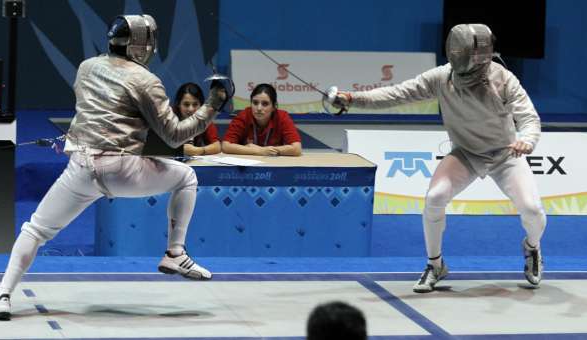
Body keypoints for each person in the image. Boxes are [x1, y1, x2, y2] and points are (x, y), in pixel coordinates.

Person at [0, 14, 228, 320]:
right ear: (139, 46)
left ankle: (2, 295)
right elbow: (174, 134)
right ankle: (175, 253)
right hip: (124, 171)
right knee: (186, 177)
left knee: (35, 229)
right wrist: (214, 102)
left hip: (81, 168)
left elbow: (102, 110)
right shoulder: (146, 81)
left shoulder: (86, 67)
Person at [333, 24, 546, 293]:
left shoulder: (503, 78)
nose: (457, 53)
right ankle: (436, 265)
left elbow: (529, 117)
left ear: (479, 54)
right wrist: (352, 99)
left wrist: (527, 139)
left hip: (504, 153)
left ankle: (532, 247)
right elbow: (397, 93)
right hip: (465, 153)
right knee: (435, 198)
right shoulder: (443, 77)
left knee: (532, 209)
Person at [222, 83, 302, 156]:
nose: (259, 108)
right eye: (255, 103)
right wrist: (260, 151)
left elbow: (297, 149)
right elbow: (225, 146)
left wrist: (264, 150)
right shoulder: (243, 116)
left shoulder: (282, 117)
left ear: (274, 106)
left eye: (265, 104)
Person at [173, 82, 221, 156]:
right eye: (186, 104)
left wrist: (198, 150)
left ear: (201, 106)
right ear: (178, 104)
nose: (191, 109)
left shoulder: (203, 118)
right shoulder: (169, 118)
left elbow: (217, 146)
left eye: (195, 104)